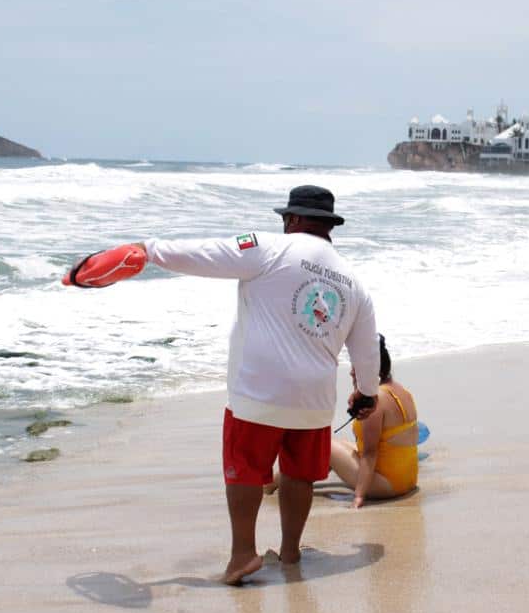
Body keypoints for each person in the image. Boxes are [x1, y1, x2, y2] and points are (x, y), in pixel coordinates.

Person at [134, 185, 380, 584]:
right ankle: (290, 551)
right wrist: (367, 392)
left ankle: (243, 555)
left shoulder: (267, 248)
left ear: (292, 219)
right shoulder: (354, 282)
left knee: (245, 469)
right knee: (299, 475)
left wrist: (148, 250)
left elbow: (205, 253)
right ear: (328, 226)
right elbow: (366, 352)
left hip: (259, 393)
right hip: (314, 401)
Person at [330, 335, 419, 508]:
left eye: (355, 366)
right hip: (408, 480)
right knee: (338, 446)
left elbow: (370, 453)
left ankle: (278, 482)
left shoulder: (377, 401)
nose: (351, 372)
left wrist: (358, 497)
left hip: (387, 485)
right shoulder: (400, 390)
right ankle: (288, 480)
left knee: (323, 446)